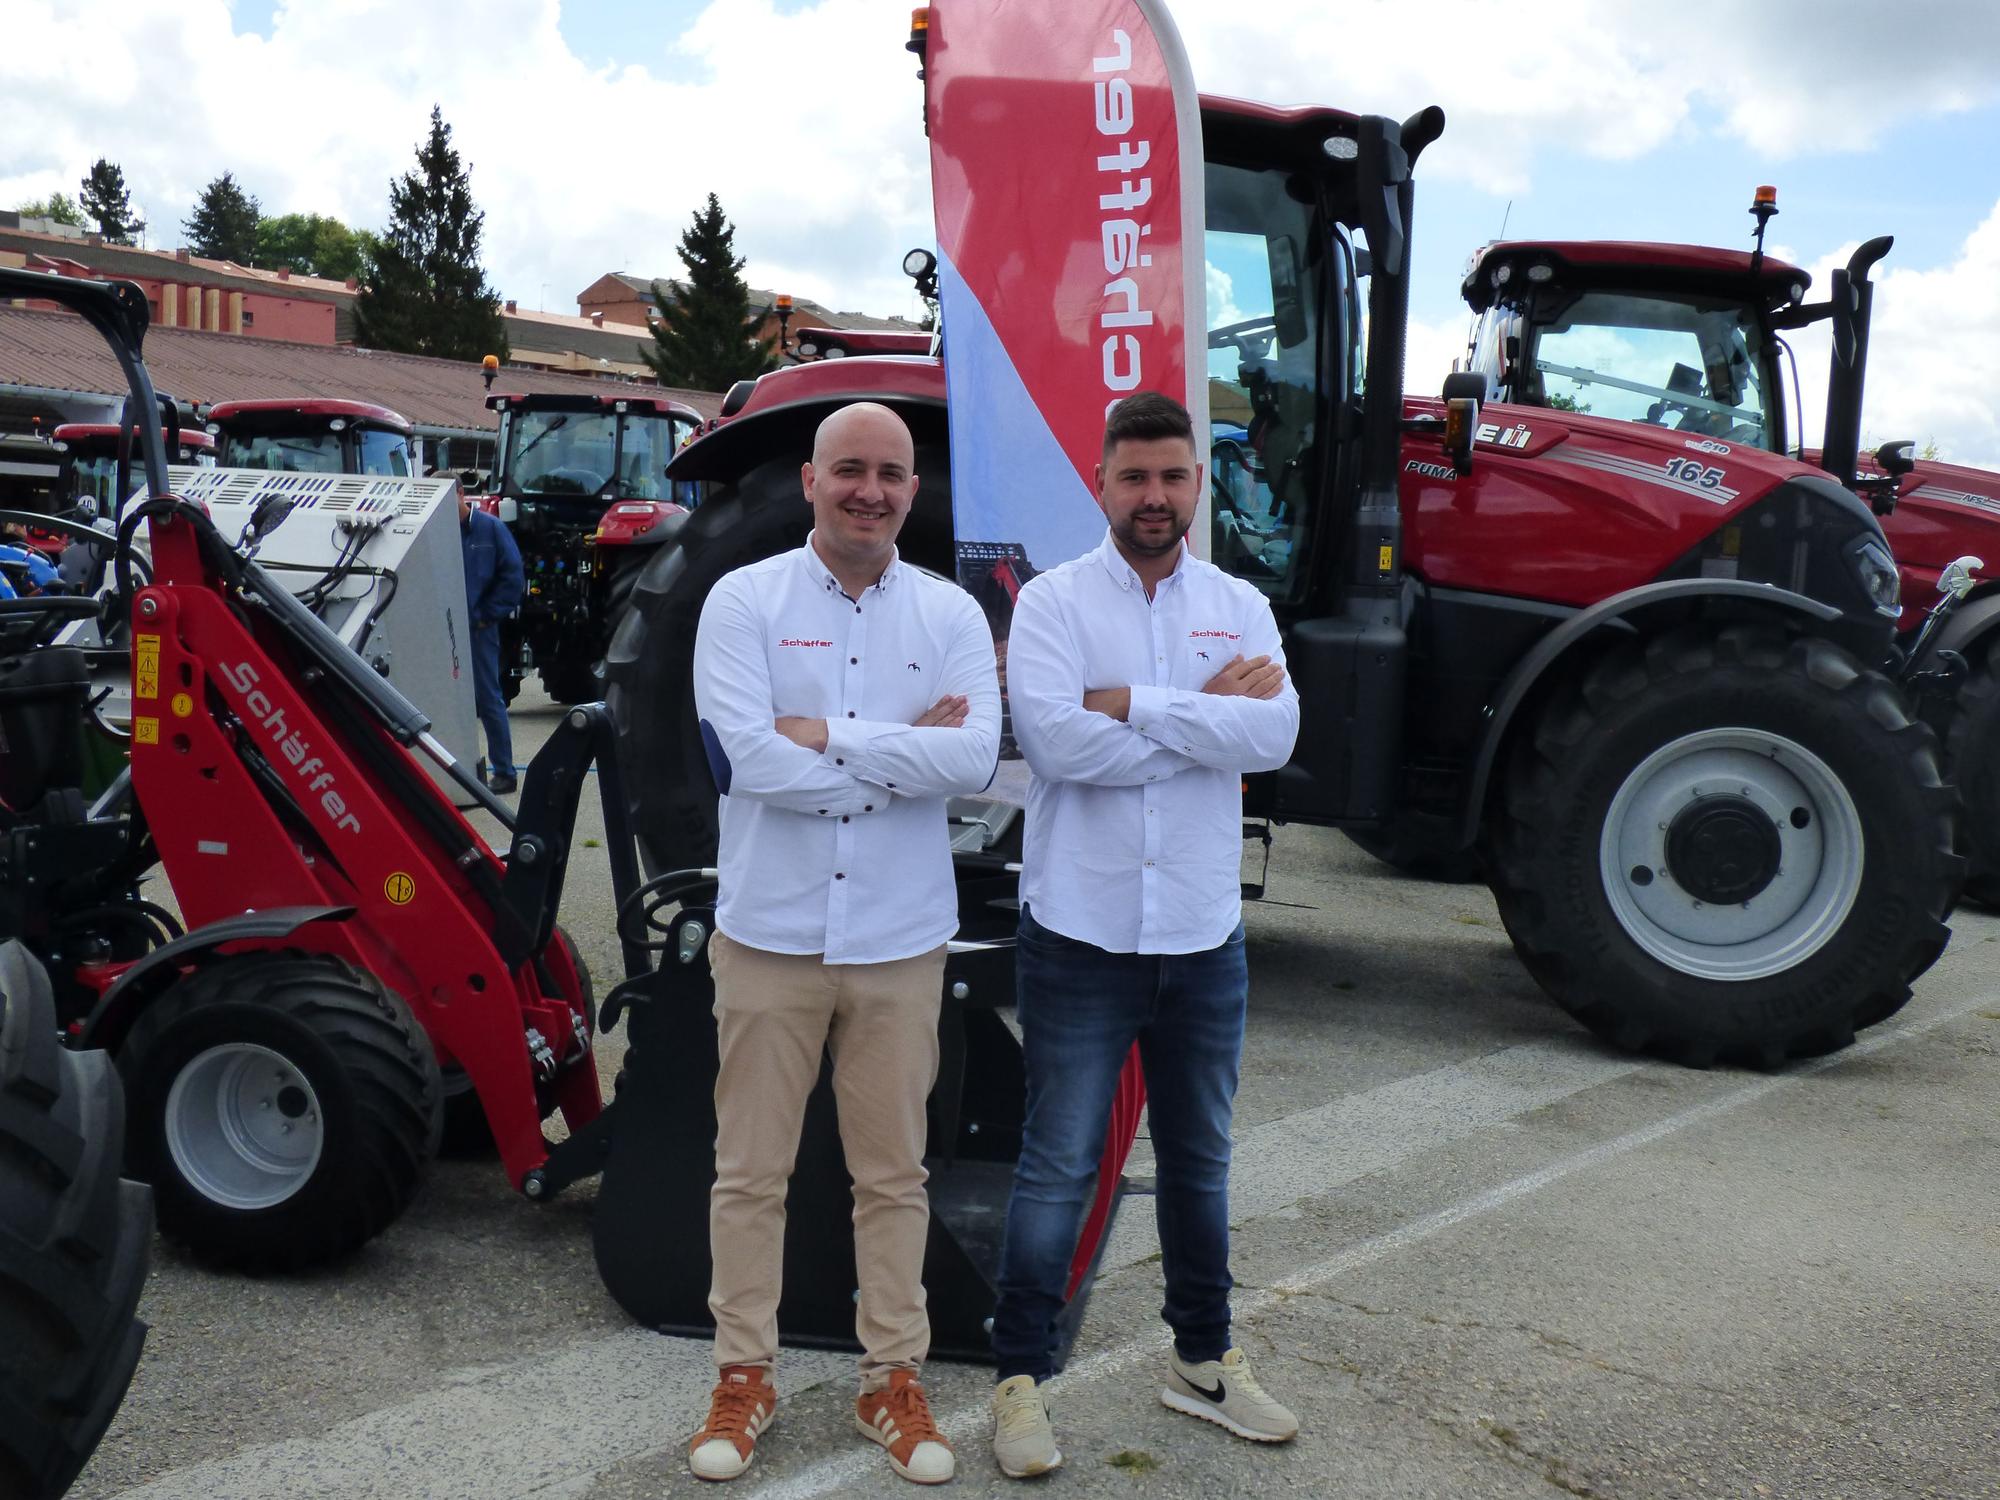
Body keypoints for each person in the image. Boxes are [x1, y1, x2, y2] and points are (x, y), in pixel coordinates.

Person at [987, 391, 1302, 1476]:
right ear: (1102, 483)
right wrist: (1200, 721)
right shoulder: (1053, 605)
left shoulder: (1236, 605)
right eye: (1135, 478)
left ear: (1194, 486)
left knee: (1198, 1162)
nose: (1154, 497)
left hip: (1201, 934)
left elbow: (1276, 731)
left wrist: (1131, 701)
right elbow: (1056, 748)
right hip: (1079, 933)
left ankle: (1201, 1363)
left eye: (1172, 478)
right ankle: (1018, 1381)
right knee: (1058, 1163)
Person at [686, 401, 1001, 1485]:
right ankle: (743, 1375)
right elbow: (745, 757)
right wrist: (899, 750)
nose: (871, 489)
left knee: (892, 1176)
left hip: (896, 941)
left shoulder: (951, 613)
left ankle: (890, 1381)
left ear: (912, 491)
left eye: (891, 474)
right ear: (812, 482)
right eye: (849, 470)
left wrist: (824, 734)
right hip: (770, 934)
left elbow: (973, 763)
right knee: (748, 1174)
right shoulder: (743, 602)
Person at [458, 489, 525, 793]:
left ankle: (504, 772)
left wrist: (487, 615)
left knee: (488, 698)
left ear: (461, 494)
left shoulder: (490, 529)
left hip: (477, 629)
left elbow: (513, 576)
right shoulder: (436, 530)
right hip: (442, 625)